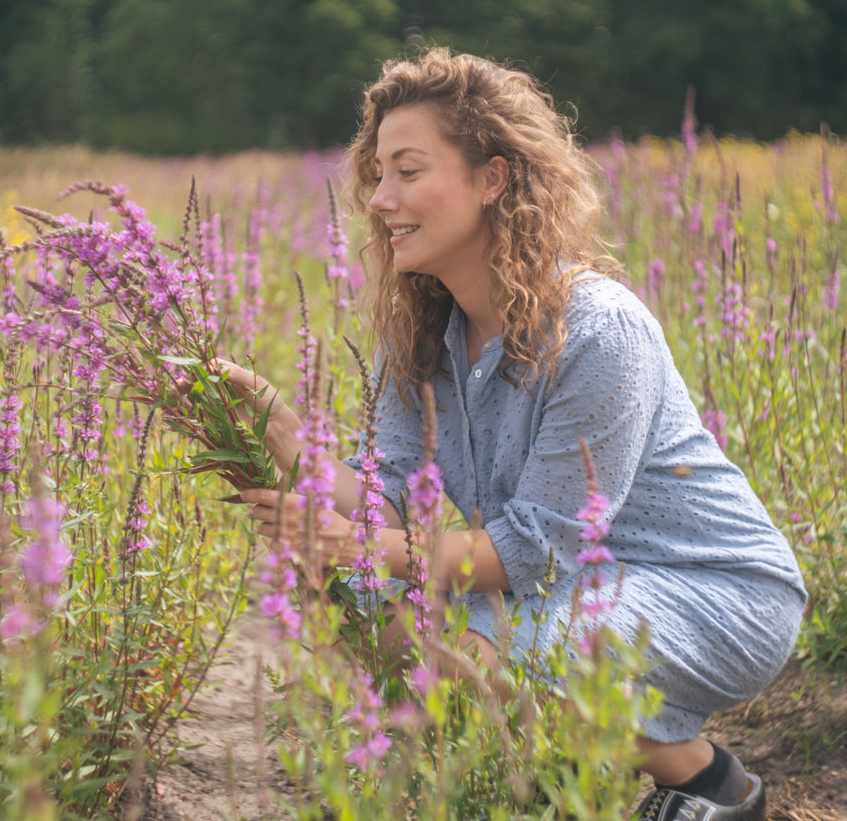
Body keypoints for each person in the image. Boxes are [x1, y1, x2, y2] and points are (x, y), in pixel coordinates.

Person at [224, 48, 806, 821]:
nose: (378, 199)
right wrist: (282, 433)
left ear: (492, 178)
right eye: (377, 176)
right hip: (578, 586)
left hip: (712, 588)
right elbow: (393, 500)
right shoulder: (428, 336)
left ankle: (642, 785)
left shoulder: (600, 331)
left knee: (458, 654)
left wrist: (354, 545)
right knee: (373, 619)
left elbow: (533, 548)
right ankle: (706, 784)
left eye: (407, 171)